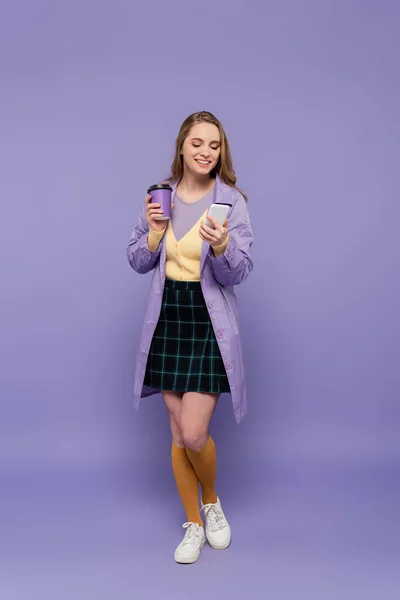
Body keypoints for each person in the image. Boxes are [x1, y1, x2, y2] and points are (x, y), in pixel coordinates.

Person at [127, 111, 254, 563]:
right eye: (197, 143)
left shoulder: (231, 201)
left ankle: (212, 501)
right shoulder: (159, 196)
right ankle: (193, 525)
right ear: (182, 146)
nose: (205, 152)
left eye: (214, 146)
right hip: (168, 318)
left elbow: (239, 270)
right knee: (178, 433)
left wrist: (221, 245)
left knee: (196, 432)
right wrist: (154, 233)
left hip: (207, 323)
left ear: (222, 152)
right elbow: (137, 260)